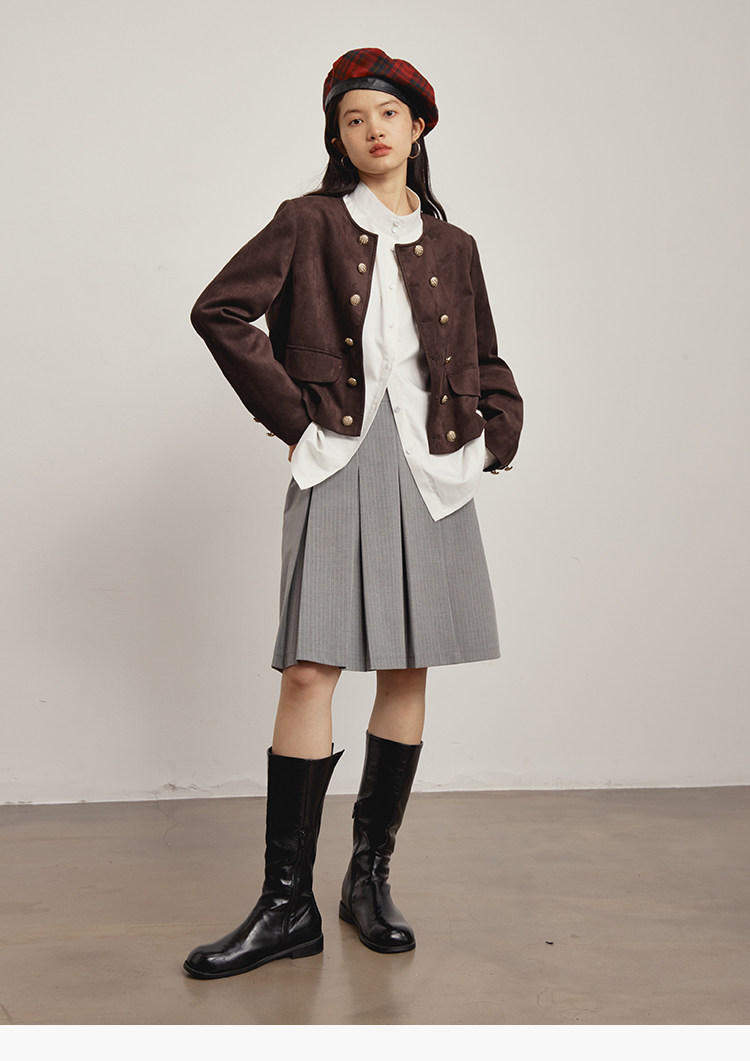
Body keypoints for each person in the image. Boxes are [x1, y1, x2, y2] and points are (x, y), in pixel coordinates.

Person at [183, 47, 523, 979]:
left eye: (388, 114)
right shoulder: (308, 221)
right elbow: (221, 311)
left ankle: (367, 878)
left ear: (419, 127)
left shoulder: (455, 246)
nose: (372, 130)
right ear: (338, 138)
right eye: (352, 119)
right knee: (309, 669)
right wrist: (295, 420)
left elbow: (486, 354)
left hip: (433, 465)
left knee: (408, 668)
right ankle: (285, 903)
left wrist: (495, 433)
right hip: (339, 455)